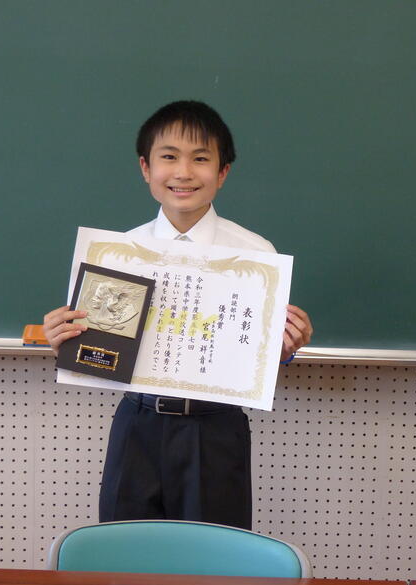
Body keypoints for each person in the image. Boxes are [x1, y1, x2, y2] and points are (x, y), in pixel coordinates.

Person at [43, 100, 313, 529]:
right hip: (137, 423)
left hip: (215, 429)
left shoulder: (256, 255)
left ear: (222, 172)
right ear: (146, 168)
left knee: (214, 557)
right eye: (169, 157)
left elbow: (263, 355)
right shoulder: (118, 254)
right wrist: (65, 340)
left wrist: (285, 349)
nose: (183, 172)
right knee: (126, 554)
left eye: (200, 159)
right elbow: (96, 354)